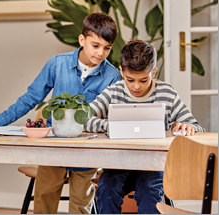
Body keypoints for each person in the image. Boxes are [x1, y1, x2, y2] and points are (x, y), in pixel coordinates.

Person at [0, 13, 122, 214]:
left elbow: (111, 116)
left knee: (82, 206)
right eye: (95, 45)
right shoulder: (57, 64)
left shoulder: (113, 76)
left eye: (107, 48)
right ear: (82, 40)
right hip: (53, 147)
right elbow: (32, 97)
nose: (101, 53)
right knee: (44, 201)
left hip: (87, 151)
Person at [84, 39, 205, 214]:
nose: (136, 86)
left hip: (153, 166)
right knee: (106, 191)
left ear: (153, 72)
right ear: (122, 71)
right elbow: (85, 119)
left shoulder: (167, 93)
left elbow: (196, 126)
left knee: (150, 194)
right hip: (117, 163)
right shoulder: (114, 91)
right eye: (130, 79)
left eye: (143, 80)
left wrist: (186, 126)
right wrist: (110, 126)